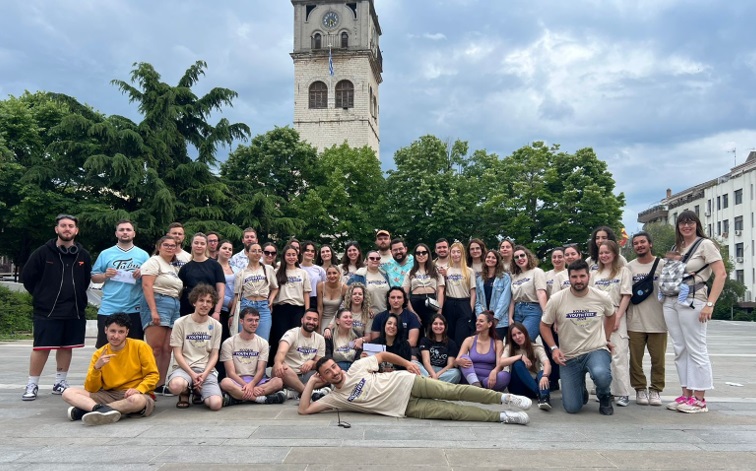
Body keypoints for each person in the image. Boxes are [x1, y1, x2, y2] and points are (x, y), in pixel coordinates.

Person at [298, 354, 531, 425]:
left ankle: (505, 398)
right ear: (323, 377)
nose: (334, 372)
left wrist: (406, 363)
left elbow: (382, 356)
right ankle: (504, 416)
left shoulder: (357, 367)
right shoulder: (336, 398)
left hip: (408, 382)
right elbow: (304, 410)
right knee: (453, 412)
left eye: (334, 367)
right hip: (405, 407)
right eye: (327, 372)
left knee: (455, 392)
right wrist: (310, 383)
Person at [21, 214, 92, 401]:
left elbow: (85, 280)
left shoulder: (83, 255)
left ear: (76, 230)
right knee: (41, 347)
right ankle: (32, 384)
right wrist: (42, 296)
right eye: (63, 225)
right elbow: (27, 277)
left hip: (74, 310)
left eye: (71, 226)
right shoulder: (42, 253)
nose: (67, 229)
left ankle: (60, 382)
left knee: (66, 347)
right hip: (47, 310)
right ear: (56, 229)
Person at [664, 210, 725, 414]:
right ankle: (686, 394)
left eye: (690, 222)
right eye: (682, 223)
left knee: (696, 348)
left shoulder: (705, 245)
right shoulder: (677, 247)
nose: (686, 226)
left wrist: (710, 304)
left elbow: (721, 274)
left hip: (694, 299)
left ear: (697, 224)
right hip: (672, 299)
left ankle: (699, 400)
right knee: (680, 348)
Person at [540, 259, 616, 415]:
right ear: (569, 278)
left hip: (595, 349)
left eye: (582, 276)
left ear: (588, 276)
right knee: (572, 408)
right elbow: (544, 325)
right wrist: (554, 348)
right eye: (574, 277)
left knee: (601, 374)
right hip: (569, 356)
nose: (578, 280)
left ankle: (604, 395)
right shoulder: (556, 299)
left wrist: (606, 338)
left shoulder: (602, 296)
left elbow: (611, 315)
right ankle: (580, 389)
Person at [62, 313, 158, 424]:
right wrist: (96, 368)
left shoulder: (140, 346)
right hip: (108, 394)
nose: (116, 336)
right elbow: (91, 389)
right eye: (113, 331)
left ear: (127, 332)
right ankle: (102, 410)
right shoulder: (99, 354)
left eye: (121, 332)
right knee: (67, 392)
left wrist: (139, 389)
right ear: (106, 330)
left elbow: (153, 375)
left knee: (137, 401)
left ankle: (90, 410)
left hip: (134, 393)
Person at [91, 219, 149, 348]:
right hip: (109, 308)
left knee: (133, 348)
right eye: (121, 230)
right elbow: (94, 278)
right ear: (116, 233)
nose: (125, 232)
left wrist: (142, 274)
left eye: (128, 230)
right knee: (105, 347)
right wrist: (105, 275)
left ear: (134, 233)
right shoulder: (105, 254)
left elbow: (151, 280)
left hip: (134, 308)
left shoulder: (143, 255)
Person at [589, 240, 633, 407]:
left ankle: (622, 392)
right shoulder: (594, 274)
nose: (604, 255)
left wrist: (617, 317)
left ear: (614, 254)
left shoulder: (623, 271)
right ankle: (603, 391)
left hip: (615, 312)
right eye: (601, 253)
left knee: (618, 353)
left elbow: (626, 295)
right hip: (597, 316)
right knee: (599, 353)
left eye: (607, 252)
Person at [167, 284, 223, 410]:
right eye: (201, 300)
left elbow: (214, 354)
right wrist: (192, 374)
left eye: (209, 301)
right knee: (176, 386)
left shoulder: (216, 325)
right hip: (184, 368)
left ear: (212, 305)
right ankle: (185, 391)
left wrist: (205, 374)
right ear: (194, 302)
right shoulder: (180, 323)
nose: (205, 304)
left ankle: (198, 391)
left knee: (216, 405)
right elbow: (177, 353)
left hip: (205, 369)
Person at [627, 231, 667, 406]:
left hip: (658, 320)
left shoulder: (662, 265)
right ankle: (640, 388)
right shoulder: (629, 267)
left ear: (650, 244)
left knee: (658, 360)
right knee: (635, 360)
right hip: (634, 321)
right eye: (636, 243)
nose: (639, 245)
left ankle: (656, 389)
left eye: (642, 242)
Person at [139, 235, 183, 396]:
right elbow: (146, 285)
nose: (170, 248)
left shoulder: (172, 267)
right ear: (159, 247)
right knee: (155, 348)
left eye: (173, 245)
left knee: (167, 348)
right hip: (158, 301)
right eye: (166, 245)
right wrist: (153, 310)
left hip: (173, 304)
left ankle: (160, 384)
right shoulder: (153, 262)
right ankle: (147, 384)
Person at [219, 307, 286, 405]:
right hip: (237, 381)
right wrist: (247, 386)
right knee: (225, 383)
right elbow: (231, 373)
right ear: (241, 321)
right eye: (250, 320)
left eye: (256, 320)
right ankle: (259, 399)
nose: (254, 323)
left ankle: (237, 398)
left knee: (278, 382)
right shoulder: (229, 343)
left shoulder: (263, 343)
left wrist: (252, 385)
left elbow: (261, 370)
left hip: (256, 381)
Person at [270, 245, 312, 361]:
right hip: (281, 309)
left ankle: (293, 363)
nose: (291, 257)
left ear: (297, 257)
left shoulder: (302, 273)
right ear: (284, 256)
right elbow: (273, 289)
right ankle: (277, 363)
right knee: (280, 337)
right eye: (288, 255)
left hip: (298, 309)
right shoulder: (277, 272)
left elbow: (306, 293)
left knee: (296, 338)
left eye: (294, 255)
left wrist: (307, 311)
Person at [272, 309, 327, 398]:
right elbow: (281, 351)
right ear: (302, 320)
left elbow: (319, 363)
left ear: (318, 322)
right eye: (308, 318)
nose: (311, 322)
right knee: (281, 367)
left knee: (327, 373)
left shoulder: (320, 339)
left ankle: (294, 392)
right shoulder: (291, 333)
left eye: (315, 320)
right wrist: (278, 363)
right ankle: (308, 392)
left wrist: (312, 362)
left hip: (306, 376)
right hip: (288, 374)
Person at [232, 243, 278, 342]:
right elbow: (237, 295)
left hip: (263, 306)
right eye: (254, 251)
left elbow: (275, 288)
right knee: (244, 340)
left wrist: (271, 299)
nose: (257, 253)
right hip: (246, 305)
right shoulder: (241, 273)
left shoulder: (268, 269)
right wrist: (232, 314)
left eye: (259, 251)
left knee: (263, 340)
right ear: (247, 253)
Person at [501, 322, 552, 410]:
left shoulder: (536, 347)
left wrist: (545, 376)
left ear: (525, 333)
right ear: (511, 338)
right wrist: (520, 356)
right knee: (518, 363)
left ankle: (543, 398)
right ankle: (541, 394)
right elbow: (501, 362)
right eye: (514, 335)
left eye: (519, 333)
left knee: (542, 373)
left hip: (533, 383)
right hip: (517, 387)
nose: (518, 337)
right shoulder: (509, 347)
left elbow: (547, 363)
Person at [455, 312, 508, 391]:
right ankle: (476, 385)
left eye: (481, 321)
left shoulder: (497, 342)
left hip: (488, 380)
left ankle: (479, 388)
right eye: (477, 321)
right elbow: (456, 361)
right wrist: (459, 361)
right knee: (464, 357)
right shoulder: (469, 340)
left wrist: (494, 371)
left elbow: (500, 365)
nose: (477, 323)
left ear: (489, 324)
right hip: (470, 377)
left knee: (505, 375)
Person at [178, 232, 225, 317]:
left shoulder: (215, 265)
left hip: (209, 309)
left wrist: (217, 312)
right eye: (196, 243)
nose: (199, 246)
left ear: (206, 246)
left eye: (202, 243)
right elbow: (179, 290)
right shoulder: (185, 268)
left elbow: (221, 290)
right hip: (188, 309)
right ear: (191, 244)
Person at [508, 245, 547, 341]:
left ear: (528, 256)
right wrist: (510, 317)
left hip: (533, 310)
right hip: (517, 312)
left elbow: (541, 293)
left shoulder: (537, 272)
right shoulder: (514, 276)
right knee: (517, 342)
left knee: (525, 340)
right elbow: (513, 298)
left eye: (522, 255)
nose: (520, 258)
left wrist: (546, 313)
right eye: (516, 257)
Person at [403, 243, 445, 332]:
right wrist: (412, 312)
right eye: (418, 253)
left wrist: (439, 311)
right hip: (415, 303)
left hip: (432, 303)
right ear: (415, 255)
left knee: (432, 331)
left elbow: (440, 291)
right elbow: (405, 294)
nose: (421, 255)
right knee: (417, 331)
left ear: (428, 254)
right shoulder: (410, 272)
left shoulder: (436, 271)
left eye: (424, 252)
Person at [369, 287, 421, 356]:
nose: (396, 300)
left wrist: (393, 347)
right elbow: (375, 340)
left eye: (399, 297)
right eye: (393, 297)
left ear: (404, 300)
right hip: (383, 353)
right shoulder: (379, 317)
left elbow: (412, 342)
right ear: (388, 299)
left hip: (404, 351)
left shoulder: (411, 317)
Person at [443, 241, 477, 347]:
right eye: (453, 252)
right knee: (449, 334)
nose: (456, 254)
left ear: (462, 254)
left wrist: (470, 310)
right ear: (450, 253)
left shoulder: (469, 271)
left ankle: (461, 355)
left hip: (464, 303)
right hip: (450, 302)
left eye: (458, 252)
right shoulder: (446, 270)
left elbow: (473, 292)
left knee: (462, 334)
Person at [475, 250, 511, 340]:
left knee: (497, 345)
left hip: (499, 321)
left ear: (498, 261)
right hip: (484, 321)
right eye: (488, 257)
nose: (490, 259)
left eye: (493, 258)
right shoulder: (479, 279)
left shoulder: (505, 278)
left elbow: (505, 299)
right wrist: (481, 317)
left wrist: (496, 318)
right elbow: (477, 301)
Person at [416, 314, 461, 383]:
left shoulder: (451, 343)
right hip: (427, 369)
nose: (438, 326)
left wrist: (436, 375)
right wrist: (433, 374)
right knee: (414, 363)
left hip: (442, 371)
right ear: (431, 325)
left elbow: (450, 364)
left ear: (445, 326)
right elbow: (426, 361)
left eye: (441, 324)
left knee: (456, 373)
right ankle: (437, 384)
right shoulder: (425, 340)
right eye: (435, 324)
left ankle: (428, 383)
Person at [216, 239, 240, 344]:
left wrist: (234, 304)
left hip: (235, 309)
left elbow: (239, 289)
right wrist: (227, 302)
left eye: (230, 249)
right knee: (221, 338)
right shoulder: (213, 267)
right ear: (218, 251)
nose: (227, 251)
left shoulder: (236, 269)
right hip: (219, 307)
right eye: (224, 248)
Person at [355, 250, 390, 314]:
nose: (375, 260)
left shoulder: (385, 274)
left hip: (385, 313)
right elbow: (351, 293)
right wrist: (364, 307)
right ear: (366, 261)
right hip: (368, 314)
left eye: (378, 258)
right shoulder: (359, 275)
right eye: (372, 258)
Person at [316, 265, 346, 334]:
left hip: (337, 318)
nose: (332, 276)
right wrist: (319, 327)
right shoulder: (320, 286)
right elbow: (320, 308)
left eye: (334, 273)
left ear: (339, 274)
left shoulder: (344, 288)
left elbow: (345, 308)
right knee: (322, 334)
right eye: (329, 273)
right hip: (323, 318)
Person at [300, 241, 326, 311]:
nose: (310, 253)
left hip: (315, 300)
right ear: (302, 252)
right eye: (307, 250)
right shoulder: (297, 268)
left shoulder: (320, 270)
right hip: (300, 300)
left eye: (312, 251)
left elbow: (325, 287)